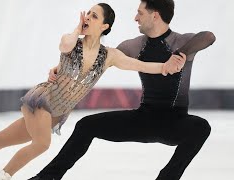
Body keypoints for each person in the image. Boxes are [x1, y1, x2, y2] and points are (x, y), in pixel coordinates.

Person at [0, 3, 185, 180]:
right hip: (41, 101)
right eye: (87, 14)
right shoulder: (73, 42)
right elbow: (65, 43)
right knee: (42, 144)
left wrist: (166, 66)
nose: (88, 18)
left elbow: (140, 65)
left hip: (57, 113)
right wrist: (76, 29)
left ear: (105, 26)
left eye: (94, 16)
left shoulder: (109, 56)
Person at [28, 0, 216, 180]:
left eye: (140, 13)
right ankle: (46, 177)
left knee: (201, 127)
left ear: (155, 16)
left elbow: (208, 36)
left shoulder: (181, 42)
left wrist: (179, 55)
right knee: (86, 125)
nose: (135, 18)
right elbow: (98, 59)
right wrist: (60, 67)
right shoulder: (134, 46)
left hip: (175, 122)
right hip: (144, 119)